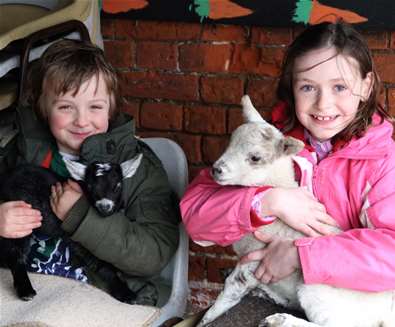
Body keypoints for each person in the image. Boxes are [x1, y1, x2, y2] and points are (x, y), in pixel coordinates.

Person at [180, 20, 395, 293]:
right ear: (292, 87)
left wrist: (301, 255)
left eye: (339, 87)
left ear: (366, 86)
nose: (323, 103)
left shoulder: (383, 161)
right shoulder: (268, 143)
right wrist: (269, 201)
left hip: (348, 306)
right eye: (308, 87)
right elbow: (196, 217)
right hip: (276, 294)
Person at [0, 39, 180, 306]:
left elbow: (154, 252)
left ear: (111, 106)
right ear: (43, 108)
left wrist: (80, 215)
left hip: (102, 294)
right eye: (65, 107)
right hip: (21, 289)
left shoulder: (137, 166)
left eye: (95, 107)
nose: (82, 120)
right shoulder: (23, 148)